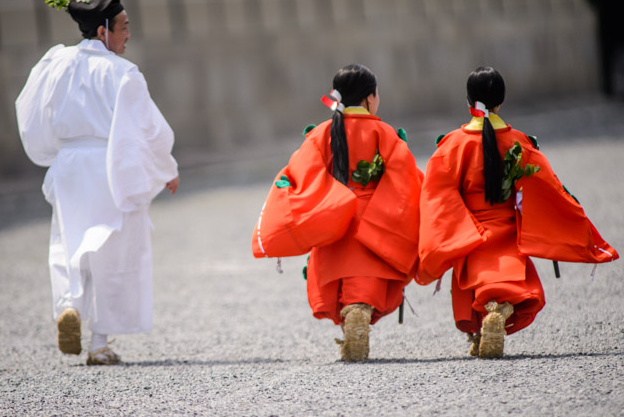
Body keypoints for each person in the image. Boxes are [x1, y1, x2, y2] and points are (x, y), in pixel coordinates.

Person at [15, 0, 180, 365]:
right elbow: (149, 129)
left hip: (70, 164)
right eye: (123, 27)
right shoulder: (123, 72)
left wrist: (53, 151)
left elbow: (30, 109)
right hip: (110, 164)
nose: (128, 35)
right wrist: (165, 168)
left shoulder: (55, 63)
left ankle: (68, 307)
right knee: (112, 252)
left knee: (68, 243)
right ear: (103, 31)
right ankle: (99, 343)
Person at [417, 66, 619, 358]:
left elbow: (436, 194)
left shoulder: (452, 145)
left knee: (472, 284)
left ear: (468, 100)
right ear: (502, 100)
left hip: (471, 235)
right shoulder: (518, 141)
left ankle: (480, 329)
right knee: (513, 286)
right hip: (508, 232)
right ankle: (499, 309)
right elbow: (548, 187)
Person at [252, 64, 423, 361]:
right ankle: (360, 311)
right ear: (370, 98)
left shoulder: (320, 134)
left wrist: (323, 203)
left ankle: (350, 320)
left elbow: (300, 175)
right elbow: (406, 178)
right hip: (375, 221)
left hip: (333, 220)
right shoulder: (384, 133)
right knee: (367, 280)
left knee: (342, 280)